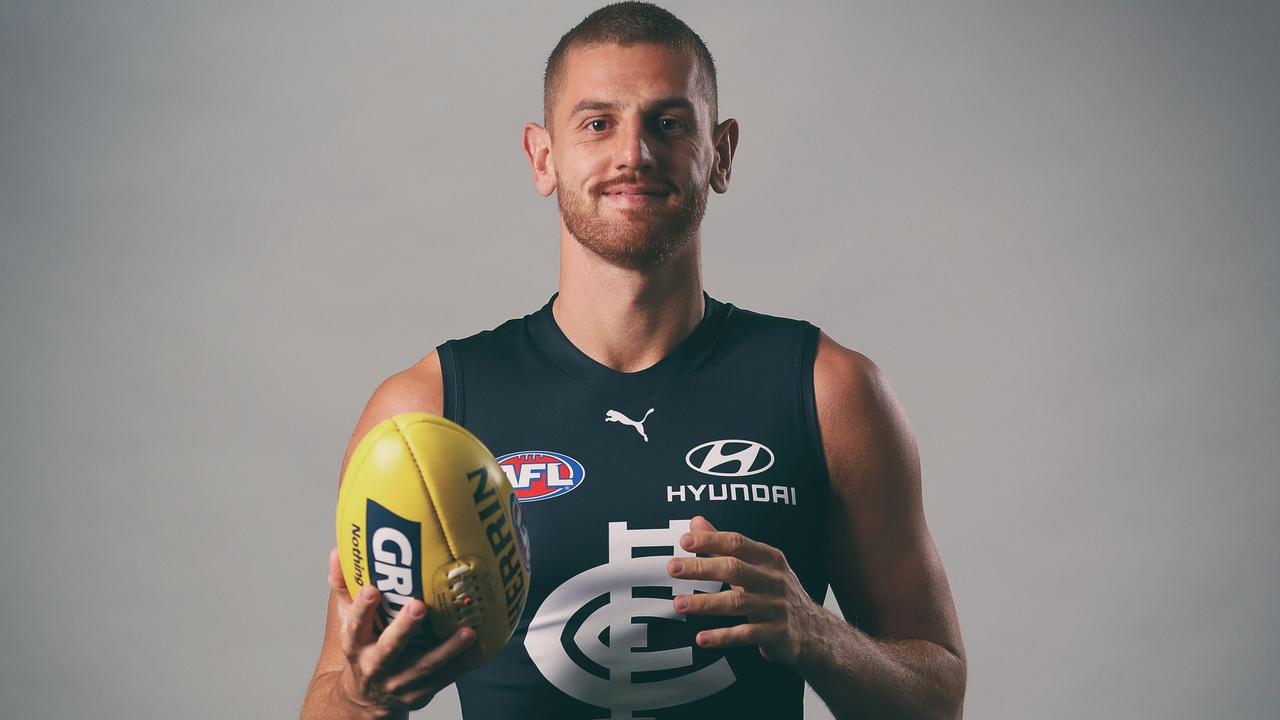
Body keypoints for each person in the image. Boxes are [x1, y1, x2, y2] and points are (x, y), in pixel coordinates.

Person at [301, 3, 965, 718]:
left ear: (723, 153)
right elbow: (330, 695)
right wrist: (365, 701)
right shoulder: (424, 411)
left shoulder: (829, 390)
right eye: (597, 123)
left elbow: (938, 698)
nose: (633, 154)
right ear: (543, 157)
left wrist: (819, 637)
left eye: (669, 123)